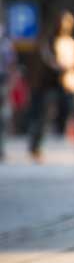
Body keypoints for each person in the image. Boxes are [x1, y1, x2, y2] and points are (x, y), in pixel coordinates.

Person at [29, 11, 74, 161]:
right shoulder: (49, 42)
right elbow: (47, 60)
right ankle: (35, 146)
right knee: (45, 116)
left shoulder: (72, 42)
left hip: (72, 83)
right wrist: (59, 67)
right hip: (52, 84)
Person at [0, 22, 16, 161]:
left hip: (2, 81)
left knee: (3, 116)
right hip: (3, 81)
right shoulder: (6, 43)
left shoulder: (5, 43)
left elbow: (10, 64)